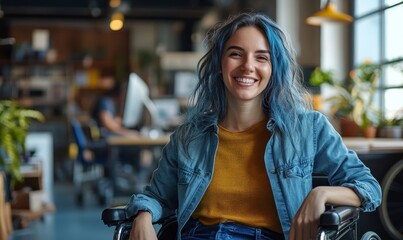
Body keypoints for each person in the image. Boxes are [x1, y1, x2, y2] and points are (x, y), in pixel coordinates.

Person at [126, 12, 382, 240]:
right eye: (236, 53)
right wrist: (144, 215)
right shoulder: (189, 136)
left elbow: (369, 188)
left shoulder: (308, 128)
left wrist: (321, 194)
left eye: (262, 57)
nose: (248, 66)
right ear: (219, 64)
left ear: (274, 69)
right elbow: (156, 196)